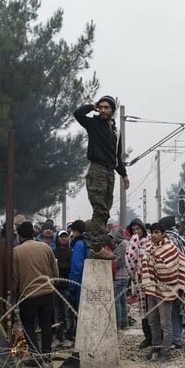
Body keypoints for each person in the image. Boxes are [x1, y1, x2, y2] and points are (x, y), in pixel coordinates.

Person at [73, 96, 130, 240]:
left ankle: (99, 239)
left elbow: (117, 157)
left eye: (107, 107)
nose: (103, 110)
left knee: (106, 209)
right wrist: (93, 105)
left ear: (112, 110)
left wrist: (124, 175)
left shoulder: (116, 132)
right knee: (100, 209)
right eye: (101, 107)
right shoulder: (93, 124)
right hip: (97, 169)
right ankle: (97, 245)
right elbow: (78, 114)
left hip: (110, 172)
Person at [140, 222, 185, 362]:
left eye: (157, 232)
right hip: (151, 288)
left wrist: (154, 261)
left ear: (163, 233)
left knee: (165, 322)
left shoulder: (171, 249)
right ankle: (156, 346)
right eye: (152, 232)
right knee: (152, 320)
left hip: (166, 290)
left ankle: (166, 351)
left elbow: (170, 270)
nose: (154, 235)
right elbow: (143, 267)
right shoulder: (149, 248)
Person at [12, 221, 59, 365]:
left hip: (28, 294)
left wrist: (14, 295)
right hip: (47, 292)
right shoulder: (45, 247)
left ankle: (34, 355)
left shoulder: (16, 251)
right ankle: (46, 354)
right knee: (46, 324)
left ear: (19, 236)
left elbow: (15, 277)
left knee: (28, 324)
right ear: (33, 233)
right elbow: (55, 272)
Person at [125, 218, 152, 349]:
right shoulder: (131, 243)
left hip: (152, 280)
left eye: (138, 229)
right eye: (134, 230)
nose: (136, 232)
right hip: (140, 280)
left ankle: (157, 338)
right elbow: (129, 261)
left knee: (154, 309)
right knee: (144, 311)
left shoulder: (150, 240)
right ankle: (148, 337)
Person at [67, 220, 88, 345]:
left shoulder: (78, 244)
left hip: (78, 284)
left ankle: (79, 341)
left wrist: (72, 285)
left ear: (75, 231)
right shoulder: (86, 242)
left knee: (77, 314)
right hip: (85, 283)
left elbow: (76, 266)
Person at [51, 229, 74, 349]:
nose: (64, 239)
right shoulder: (53, 252)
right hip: (55, 287)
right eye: (61, 237)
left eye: (66, 236)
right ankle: (58, 337)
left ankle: (69, 337)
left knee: (67, 313)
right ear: (58, 238)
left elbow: (69, 267)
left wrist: (59, 266)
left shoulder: (71, 252)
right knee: (57, 313)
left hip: (66, 287)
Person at [109, 228, 130, 330]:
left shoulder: (123, 245)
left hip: (119, 276)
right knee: (122, 301)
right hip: (124, 276)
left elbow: (119, 261)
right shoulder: (124, 244)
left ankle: (118, 324)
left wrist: (111, 264)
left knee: (117, 301)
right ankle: (124, 322)